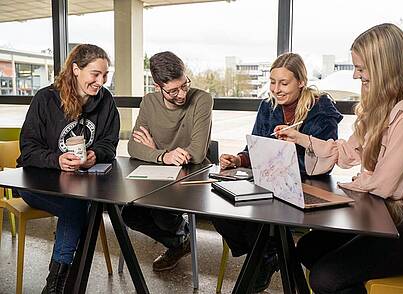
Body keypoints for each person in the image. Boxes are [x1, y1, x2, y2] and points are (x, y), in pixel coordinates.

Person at [274, 23, 403, 294]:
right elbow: (349, 152)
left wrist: (361, 181)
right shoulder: (385, 103)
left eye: (361, 68)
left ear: (383, 65)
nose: (355, 75)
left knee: (324, 278)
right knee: (307, 248)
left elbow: (386, 184)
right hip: (384, 214)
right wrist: (301, 139)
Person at [212, 52, 343, 293]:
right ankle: (267, 254)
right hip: (271, 182)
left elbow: (323, 159)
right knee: (220, 208)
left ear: (301, 81)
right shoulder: (267, 106)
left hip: (309, 184)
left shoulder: (321, 107)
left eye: (284, 83)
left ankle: (265, 256)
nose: (276, 89)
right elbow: (256, 148)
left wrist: (284, 152)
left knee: (264, 214)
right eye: (272, 82)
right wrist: (238, 159)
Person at [17, 44, 120, 293]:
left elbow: (110, 142)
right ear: (75, 69)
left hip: (80, 185)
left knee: (78, 204)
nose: (101, 81)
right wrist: (57, 160)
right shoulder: (45, 99)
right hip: (36, 184)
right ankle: (59, 283)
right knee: (79, 206)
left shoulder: (105, 101)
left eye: (105, 75)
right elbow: (28, 149)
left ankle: (57, 285)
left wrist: (96, 154)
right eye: (95, 74)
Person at [121, 51, 213, 272]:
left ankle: (178, 241)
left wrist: (155, 150)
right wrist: (163, 156)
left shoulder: (202, 99)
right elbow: (133, 147)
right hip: (158, 175)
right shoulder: (149, 102)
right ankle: (180, 241)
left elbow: (197, 153)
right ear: (157, 87)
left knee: (162, 211)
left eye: (184, 85)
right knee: (130, 214)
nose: (181, 94)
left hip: (193, 175)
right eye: (172, 91)